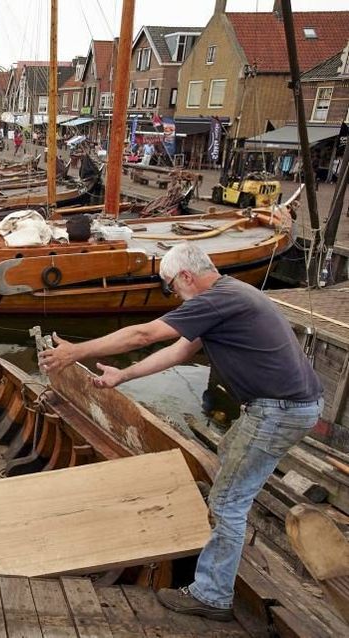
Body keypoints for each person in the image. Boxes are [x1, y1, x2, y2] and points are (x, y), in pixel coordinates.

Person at [38, 242, 322, 622]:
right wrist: (124, 374)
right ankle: (221, 520)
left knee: (228, 503)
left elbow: (144, 335)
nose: (174, 296)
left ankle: (212, 594)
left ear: (186, 276)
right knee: (227, 458)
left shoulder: (217, 300)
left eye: (171, 287)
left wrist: (77, 352)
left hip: (279, 410)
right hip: (285, 405)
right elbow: (178, 352)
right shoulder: (230, 294)